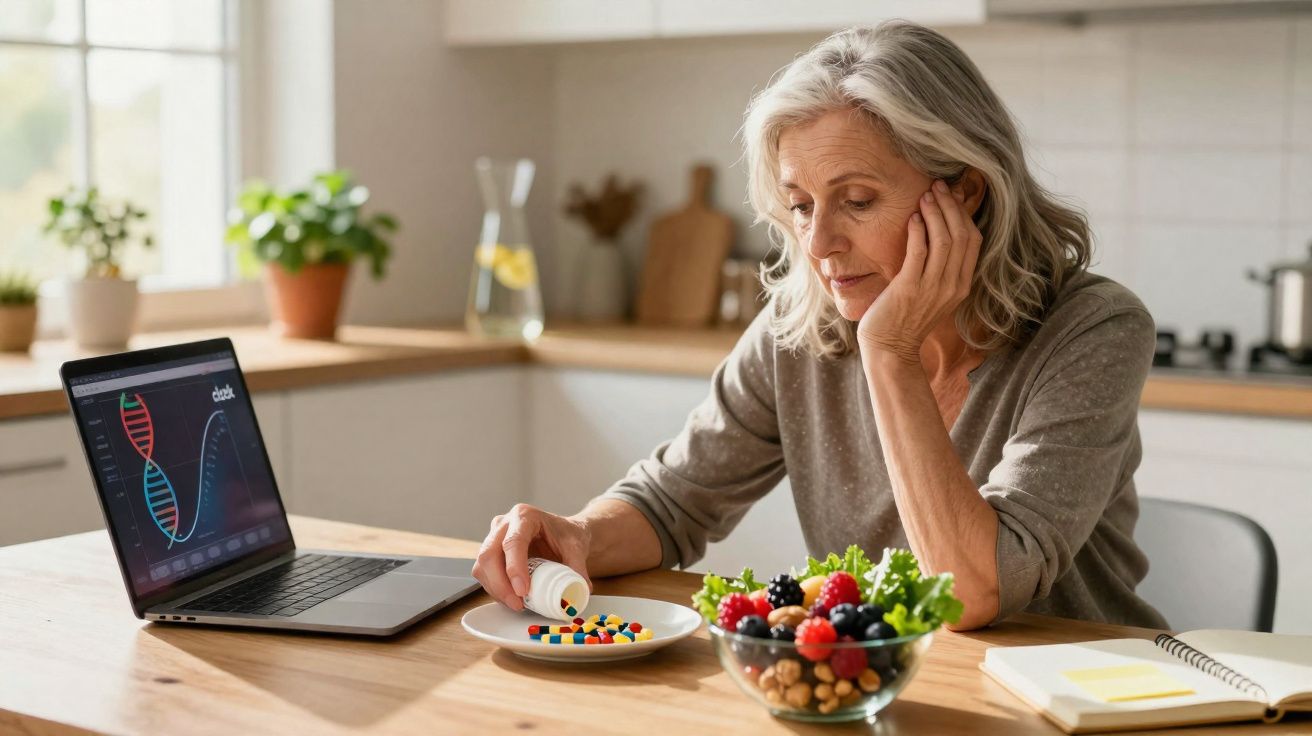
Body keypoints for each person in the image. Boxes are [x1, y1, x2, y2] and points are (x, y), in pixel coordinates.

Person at [472, 20, 1168, 630]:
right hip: (881, 693)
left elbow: (971, 592)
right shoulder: (801, 323)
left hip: (1076, 700)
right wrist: (577, 537)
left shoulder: (1094, 331)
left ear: (964, 193)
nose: (819, 243)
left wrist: (889, 353)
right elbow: (670, 502)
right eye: (801, 206)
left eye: (857, 200)